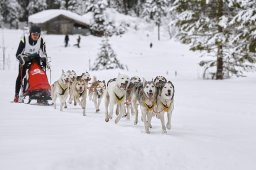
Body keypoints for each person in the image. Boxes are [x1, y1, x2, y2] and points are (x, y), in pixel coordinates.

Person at [13, 25, 48, 103]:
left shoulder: (41, 40)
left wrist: (45, 60)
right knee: (20, 76)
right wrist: (21, 59)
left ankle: (42, 92)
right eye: (34, 34)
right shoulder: (24, 39)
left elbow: (44, 53)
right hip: (25, 58)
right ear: (30, 34)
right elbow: (18, 54)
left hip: (36, 58)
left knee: (40, 73)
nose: (35, 36)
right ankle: (16, 95)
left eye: (37, 35)